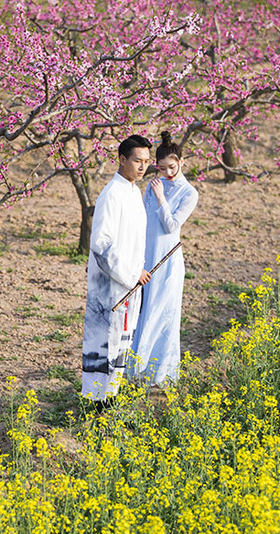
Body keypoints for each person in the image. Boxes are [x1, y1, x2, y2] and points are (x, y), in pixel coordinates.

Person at [81, 134, 153, 407]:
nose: (142, 166)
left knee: (121, 343)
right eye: (137, 160)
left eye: (146, 161)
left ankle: (110, 399)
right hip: (111, 285)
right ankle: (95, 404)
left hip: (129, 283)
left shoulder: (134, 191)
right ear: (122, 160)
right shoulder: (112, 194)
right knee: (104, 344)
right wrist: (132, 274)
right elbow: (101, 245)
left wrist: (138, 270)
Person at [128, 131, 198, 387]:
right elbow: (143, 222)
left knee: (163, 314)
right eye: (162, 168)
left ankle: (161, 373)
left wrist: (160, 199)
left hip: (168, 261)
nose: (168, 172)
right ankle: (137, 370)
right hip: (147, 257)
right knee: (142, 312)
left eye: (172, 166)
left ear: (181, 162)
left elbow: (170, 227)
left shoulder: (189, 193)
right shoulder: (152, 185)